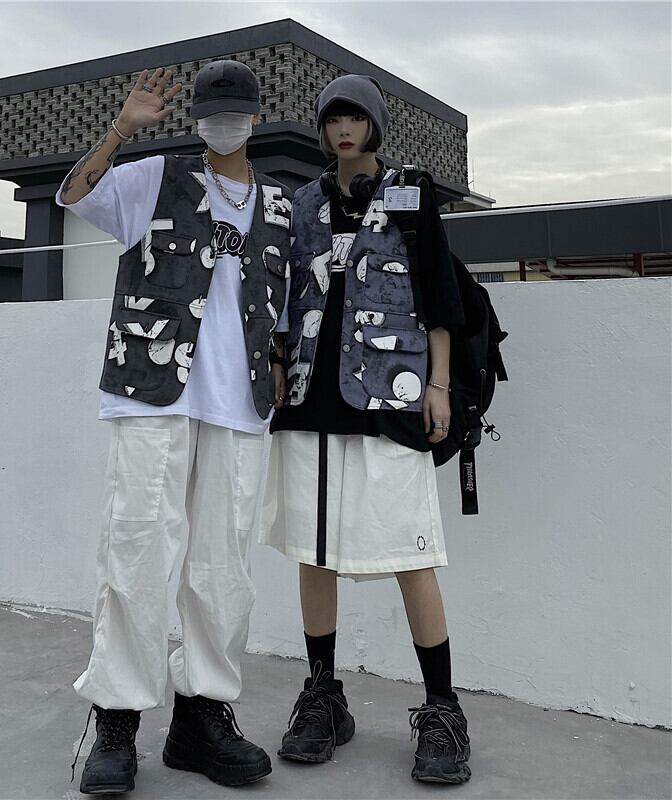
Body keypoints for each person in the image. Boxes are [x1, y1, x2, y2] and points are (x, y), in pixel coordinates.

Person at [57, 61, 292, 795]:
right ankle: (117, 719)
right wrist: (120, 131)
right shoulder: (154, 177)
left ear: (256, 117)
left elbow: (285, 302)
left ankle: (201, 716)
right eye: (213, 112)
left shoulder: (280, 207)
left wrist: (281, 363)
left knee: (223, 568)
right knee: (137, 549)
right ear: (195, 118)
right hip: (153, 390)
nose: (224, 123)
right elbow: (77, 195)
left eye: (235, 112)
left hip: (240, 401)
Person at [259, 73, 472, 784]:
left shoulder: (411, 192)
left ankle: (442, 709)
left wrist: (438, 385)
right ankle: (323, 694)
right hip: (309, 398)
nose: (343, 130)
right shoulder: (302, 204)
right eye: (332, 119)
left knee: (411, 551)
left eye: (354, 118)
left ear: (375, 125)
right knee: (314, 551)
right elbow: (284, 296)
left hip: (391, 398)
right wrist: (277, 366)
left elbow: (438, 291)